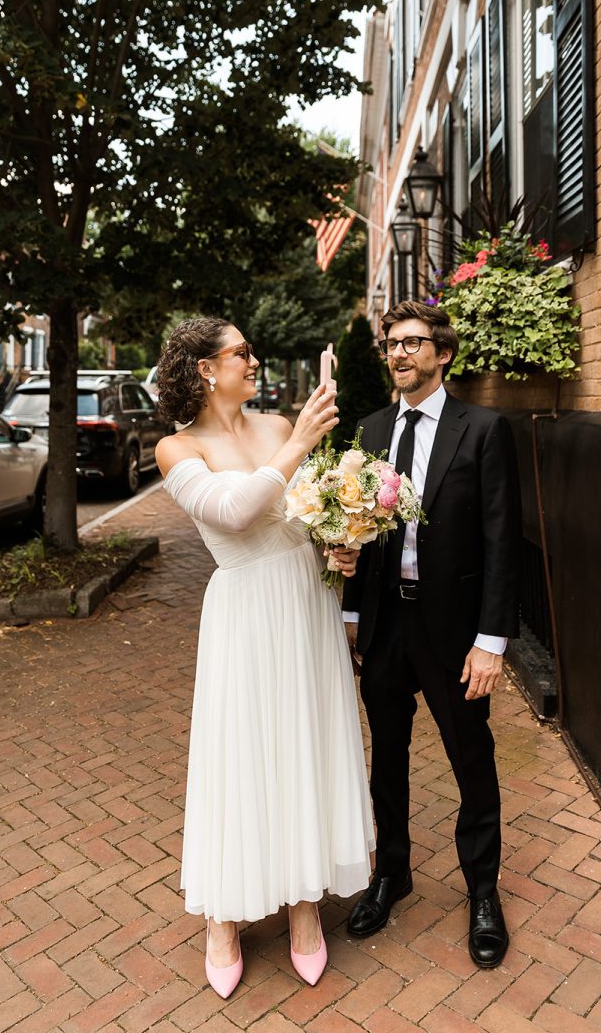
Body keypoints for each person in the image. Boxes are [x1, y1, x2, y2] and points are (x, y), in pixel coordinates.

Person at [155, 317, 374, 998]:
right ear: (204, 369)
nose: (253, 361)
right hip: (246, 611)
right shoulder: (175, 447)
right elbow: (235, 512)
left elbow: (302, 515)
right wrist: (305, 443)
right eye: (241, 352)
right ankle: (222, 916)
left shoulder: (277, 426)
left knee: (302, 742)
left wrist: (338, 545)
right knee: (244, 752)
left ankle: (305, 902)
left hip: (305, 602)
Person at [342, 300, 521, 969]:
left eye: (413, 342)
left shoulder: (483, 430)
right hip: (386, 625)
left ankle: (482, 890)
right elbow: (355, 529)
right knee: (385, 758)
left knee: (471, 759)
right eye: (392, 343)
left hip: (454, 632)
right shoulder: (370, 430)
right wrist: (351, 617)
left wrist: (492, 642)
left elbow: (503, 544)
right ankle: (393, 873)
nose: (400, 353)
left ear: (442, 353)